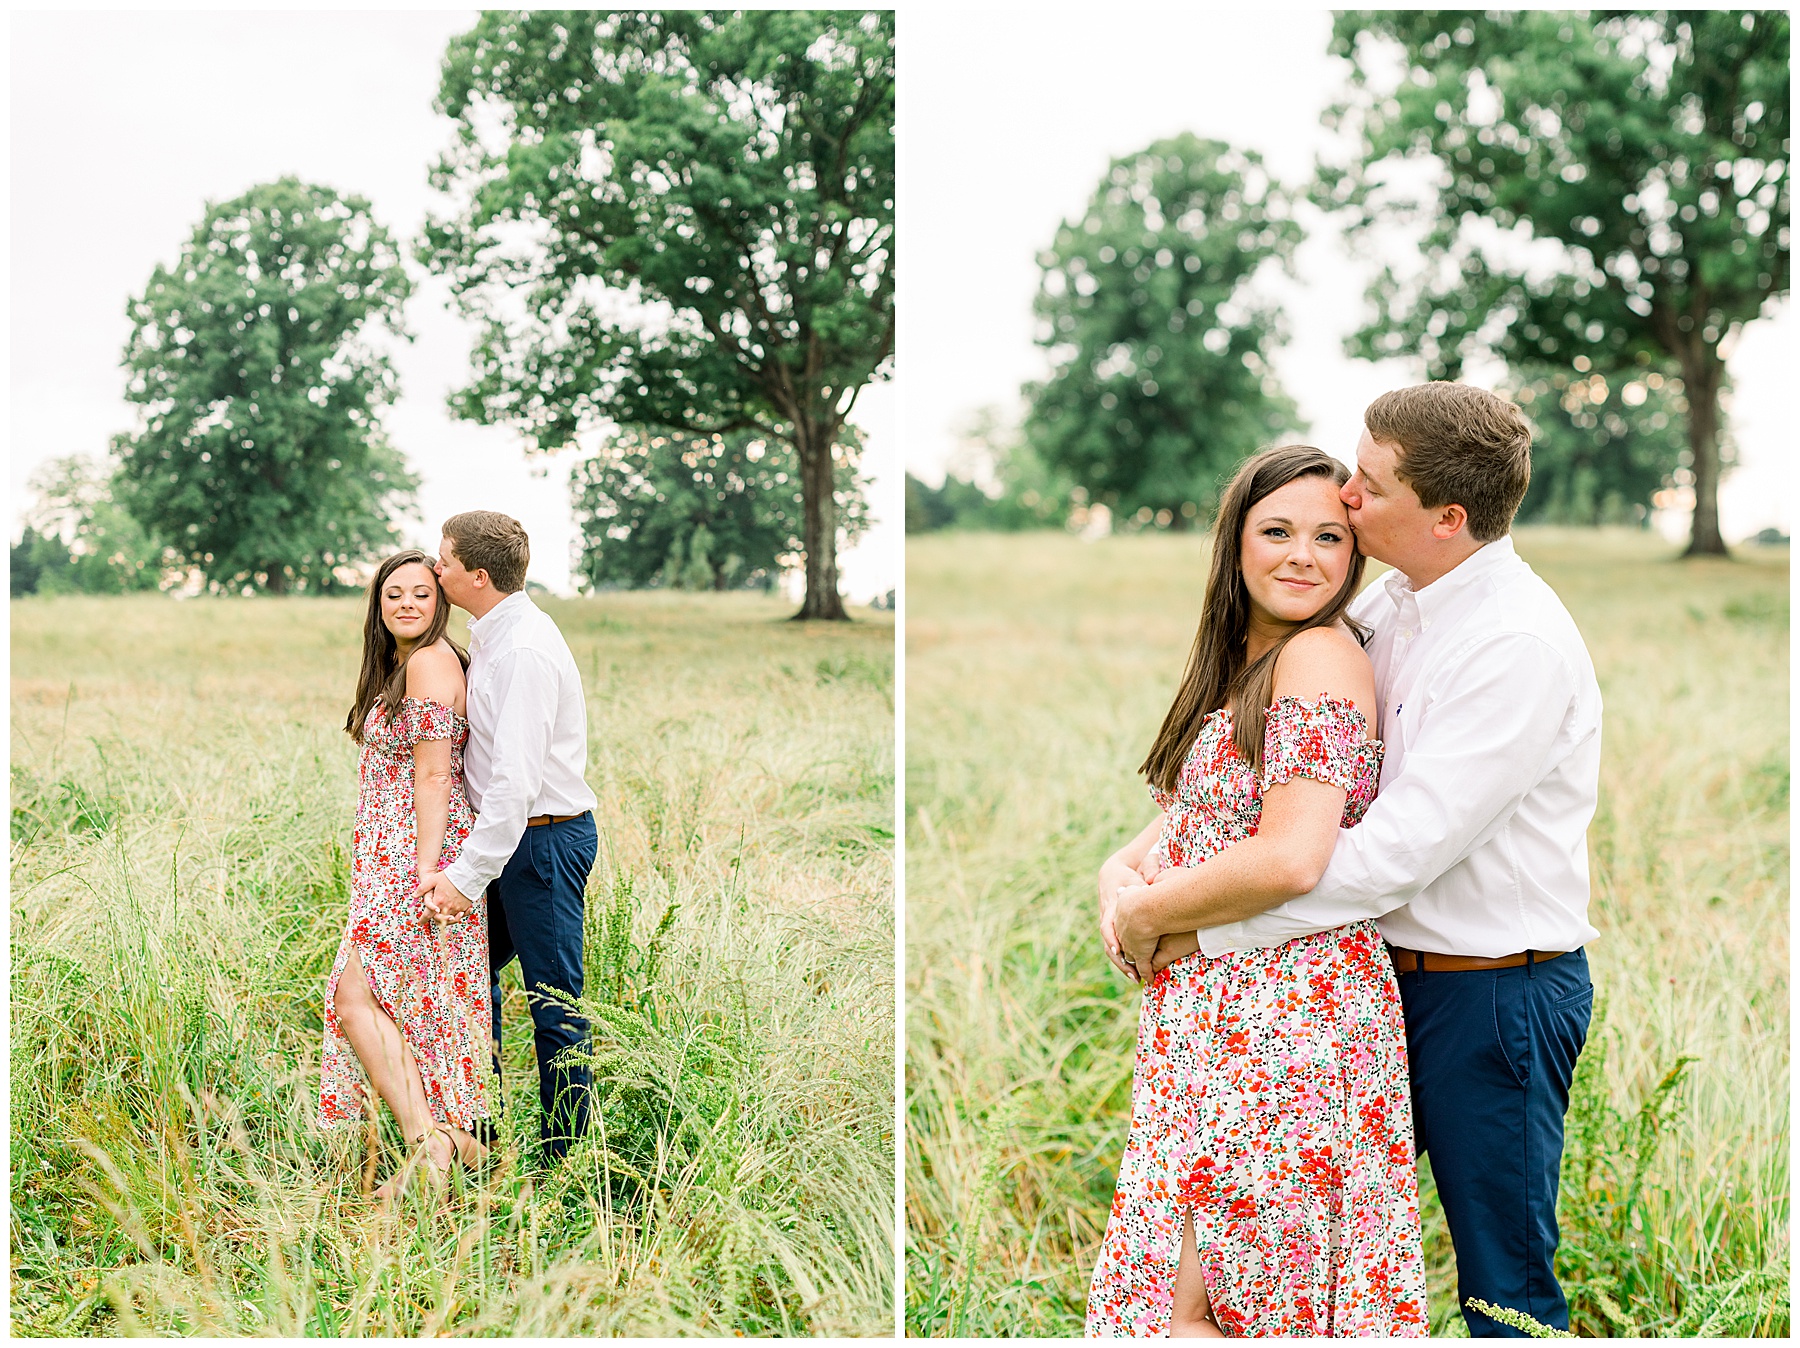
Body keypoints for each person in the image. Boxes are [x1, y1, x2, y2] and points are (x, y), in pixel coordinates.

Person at [1115, 382, 1601, 1337]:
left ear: (1446, 518)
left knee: (1502, 1279)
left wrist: (1191, 925)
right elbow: (1263, 773)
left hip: (1490, 995)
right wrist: (1137, 863)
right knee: (1294, 1248)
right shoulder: (1396, 601)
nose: (1346, 500)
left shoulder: (1516, 644)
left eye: (1368, 488)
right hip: (1364, 984)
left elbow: (1385, 857)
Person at [1087, 444, 1429, 1338]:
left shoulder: (1317, 657)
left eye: (1328, 536)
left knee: (1217, 1304)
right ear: (1235, 542)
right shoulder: (1248, 659)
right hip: (1215, 1017)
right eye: (1276, 531)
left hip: (1285, 1022)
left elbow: (1290, 857)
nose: (1302, 557)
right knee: (1187, 1293)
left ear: (1355, 555)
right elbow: (1205, 818)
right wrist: (1116, 873)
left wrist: (1146, 913)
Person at [415, 511, 599, 1165]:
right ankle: (476, 1130)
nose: (435, 569)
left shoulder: (522, 649)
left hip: (542, 843)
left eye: (444, 561)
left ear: (478, 576)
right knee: (469, 976)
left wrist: (466, 878)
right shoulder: (493, 632)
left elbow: (516, 784)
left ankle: (571, 1158)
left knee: (554, 1003)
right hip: (510, 840)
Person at [320, 549, 491, 1198]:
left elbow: (434, 772)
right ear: (378, 604)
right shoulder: (404, 662)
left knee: (355, 996)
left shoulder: (426, 662)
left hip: (416, 858)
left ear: (440, 601)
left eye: (422, 593)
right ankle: (451, 1144)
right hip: (389, 858)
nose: (408, 605)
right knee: (389, 1000)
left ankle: (432, 1145)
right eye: (395, 594)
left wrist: (426, 871)